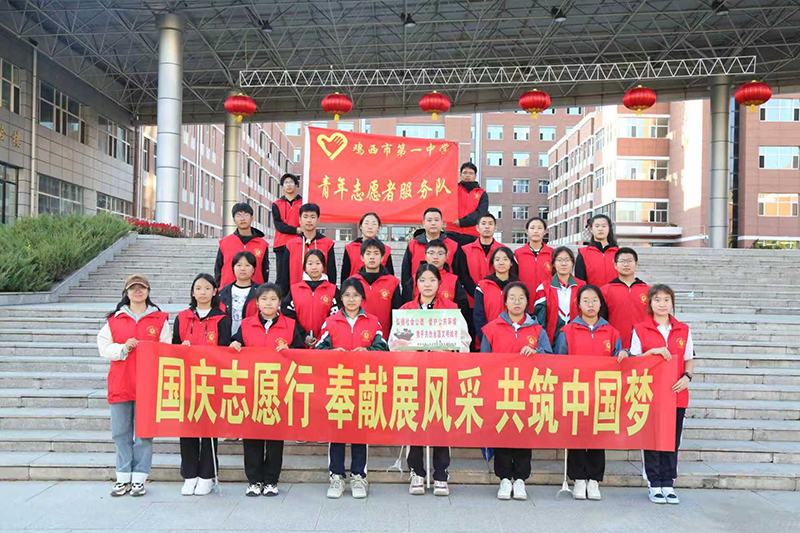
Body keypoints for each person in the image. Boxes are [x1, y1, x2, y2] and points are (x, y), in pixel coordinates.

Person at [390, 264, 472, 497]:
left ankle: (441, 474)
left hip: (441, 373)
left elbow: (464, 340)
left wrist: (452, 350)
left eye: (432, 280)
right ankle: (416, 471)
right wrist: (410, 349)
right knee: (414, 420)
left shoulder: (451, 310)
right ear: (416, 283)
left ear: (439, 283)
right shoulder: (406, 310)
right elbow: (394, 343)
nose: (427, 284)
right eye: (423, 280)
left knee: (440, 421)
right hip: (414, 374)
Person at [97, 274, 171, 497]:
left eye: (142, 288)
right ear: (126, 292)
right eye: (133, 288)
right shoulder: (115, 319)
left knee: (144, 434)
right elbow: (104, 348)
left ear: (148, 291)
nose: (137, 292)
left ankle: (139, 478)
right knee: (120, 432)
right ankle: (122, 477)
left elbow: (167, 349)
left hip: (148, 384)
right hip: (121, 383)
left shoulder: (159, 319)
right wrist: (122, 347)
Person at [554, 285, 629, 502]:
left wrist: (624, 353)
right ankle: (578, 478)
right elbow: (559, 362)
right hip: (576, 391)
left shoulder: (612, 332)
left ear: (600, 304)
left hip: (602, 392)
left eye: (594, 300)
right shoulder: (567, 331)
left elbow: (619, 360)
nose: (590, 304)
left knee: (598, 435)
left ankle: (594, 479)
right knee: (577, 434)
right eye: (585, 300)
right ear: (578, 304)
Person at [230, 283, 306, 497]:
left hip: (278, 389)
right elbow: (234, 345)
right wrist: (234, 345)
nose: (268, 303)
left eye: (273, 299)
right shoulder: (246, 325)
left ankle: (271, 480)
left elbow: (302, 353)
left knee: (274, 437)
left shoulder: (290, 325)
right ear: (256, 303)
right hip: (252, 388)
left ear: (279, 302)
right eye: (264, 299)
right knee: (252, 436)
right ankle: (254, 480)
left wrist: (291, 351)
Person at [316, 278, 388, 500]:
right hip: (338, 385)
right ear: (341, 298)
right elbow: (318, 348)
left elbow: (383, 348)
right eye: (347, 295)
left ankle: (359, 476)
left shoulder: (373, 322)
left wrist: (367, 351)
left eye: (356, 295)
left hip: (363, 384)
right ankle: (336, 477)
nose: (351, 299)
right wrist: (332, 352)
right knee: (337, 431)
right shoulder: (330, 322)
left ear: (362, 299)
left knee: (360, 432)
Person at [480, 282, 552, 501]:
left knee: (523, 434)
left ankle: (520, 479)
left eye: (521, 298)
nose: (517, 302)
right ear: (505, 302)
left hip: (527, 391)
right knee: (502, 432)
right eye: (512, 298)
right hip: (500, 391)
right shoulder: (492, 328)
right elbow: (484, 360)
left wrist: (536, 352)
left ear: (527, 302)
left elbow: (550, 357)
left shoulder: (537, 329)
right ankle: (504, 478)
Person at [630, 285, 694, 505]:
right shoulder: (640, 329)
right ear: (650, 303)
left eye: (666, 300)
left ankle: (668, 482)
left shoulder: (683, 329)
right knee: (652, 438)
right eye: (657, 300)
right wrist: (652, 352)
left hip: (676, 393)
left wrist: (687, 377)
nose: (662, 304)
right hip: (650, 393)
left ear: (672, 303)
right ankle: (654, 483)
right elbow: (634, 361)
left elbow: (689, 358)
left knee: (672, 440)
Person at [172, 274, 231, 496]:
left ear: (215, 291)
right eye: (198, 288)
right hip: (187, 380)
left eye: (207, 288)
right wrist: (182, 348)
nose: (203, 292)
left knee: (208, 430)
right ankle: (189, 474)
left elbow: (224, 351)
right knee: (187, 429)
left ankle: (207, 475)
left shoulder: (222, 319)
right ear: (192, 292)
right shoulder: (182, 317)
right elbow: (173, 348)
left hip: (211, 381)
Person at [400, 207, 465, 301]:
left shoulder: (453, 245)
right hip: (418, 296)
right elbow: (406, 273)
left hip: (446, 295)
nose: (433, 223)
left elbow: (460, 273)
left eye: (436, 220)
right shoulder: (413, 245)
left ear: (442, 222)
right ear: (423, 223)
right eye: (429, 220)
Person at [282, 249, 340, 347]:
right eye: (310, 263)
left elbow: (336, 317)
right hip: (299, 345)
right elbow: (288, 317)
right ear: (304, 267)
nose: (314, 267)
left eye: (318, 263)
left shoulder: (332, 290)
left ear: (323, 266)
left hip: (325, 345)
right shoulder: (294, 290)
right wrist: (304, 336)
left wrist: (321, 338)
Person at [277, 203, 336, 295]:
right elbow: (284, 275)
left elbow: (332, 274)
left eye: (312, 217)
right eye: (305, 217)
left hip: (321, 294)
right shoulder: (291, 245)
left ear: (318, 220)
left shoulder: (327, 244)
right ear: (300, 220)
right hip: (295, 294)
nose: (309, 220)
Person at [351, 238, 402, 338]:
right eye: (368, 253)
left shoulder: (393, 282)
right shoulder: (352, 282)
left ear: (382, 257)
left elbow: (396, 314)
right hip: (357, 338)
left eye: (376, 253)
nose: (372, 257)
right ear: (362, 257)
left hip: (384, 337)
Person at [533, 247, 585, 343]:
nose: (563, 264)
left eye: (567, 260)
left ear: (572, 263)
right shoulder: (543, 288)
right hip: (551, 340)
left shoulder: (582, 286)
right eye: (559, 260)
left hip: (577, 339)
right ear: (553, 263)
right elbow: (540, 321)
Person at [601, 248, 650, 349]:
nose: (626, 264)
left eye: (630, 261)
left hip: (643, 344)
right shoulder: (605, 290)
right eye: (622, 261)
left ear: (636, 264)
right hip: (615, 344)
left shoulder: (648, 290)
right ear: (615, 265)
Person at [215, 202, 270, 287]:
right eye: (238, 215)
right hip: (228, 290)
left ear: (252, 218)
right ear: (234, 220)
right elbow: (218, 268)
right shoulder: (225, 243)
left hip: (255, 291)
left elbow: (265, 270)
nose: (242, 218)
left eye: (246, 215)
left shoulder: (262, 244)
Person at [473, 247, 519, 345]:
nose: (501, 263)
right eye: (497, 259)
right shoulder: (482, 285)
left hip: (512, 339)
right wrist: (485, 337)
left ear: (511, 263)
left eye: (505, 259)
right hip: (487, 337)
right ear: (493, 263)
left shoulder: (518, 286)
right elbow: (478, 315)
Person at [412, 240, 469, 312]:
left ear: (446, 257)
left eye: (440, 253)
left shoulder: (453, 280)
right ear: (425, 256)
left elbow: (462, 307)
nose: (435, 257)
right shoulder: (415, 278)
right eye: (431, 253)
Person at [461, 213, 503, 308]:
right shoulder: (465, 250)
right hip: (472, 301)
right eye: (483, 223)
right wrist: (477, 294)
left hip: (496, 301)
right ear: (477, 228)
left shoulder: (502, 250)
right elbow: (464, 276)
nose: (487, 227)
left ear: (495, 228)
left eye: (490, 224)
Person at [341, 212, 394, 283]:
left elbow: (390, 277)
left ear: (378, 228)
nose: (370, 227)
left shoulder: (386, 250)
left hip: (379, 288)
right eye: (366, 223)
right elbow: (345, 275)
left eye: (374, 224)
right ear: (360, 226)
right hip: (355, 287)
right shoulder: (350, 248)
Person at [514, 217, 553, 312]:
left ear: (545, 232)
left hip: (546, 302)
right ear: (527, 232)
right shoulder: (518, 254)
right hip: (523, 303)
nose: (536, 231)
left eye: (539, 228)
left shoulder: (552, 254)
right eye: (532, 228)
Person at [272, 173, 303, 284]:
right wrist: (296, 230)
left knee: (298, 274)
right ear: (282, 186)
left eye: (291, 182)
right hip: (281, 244)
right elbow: (278, 225)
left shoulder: (303, 202)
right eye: (286, 183)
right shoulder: (277, 204)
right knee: (281, 276)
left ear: (296, 185)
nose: (288, 185)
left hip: (299, 243)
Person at [447, 162, 489, 245]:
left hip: (472, 234)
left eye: (470, 173)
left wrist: (462, 222)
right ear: (460, 174)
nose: (467, 175)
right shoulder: (452, 189)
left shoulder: (482, 193)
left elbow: (481, 213)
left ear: (475, 175)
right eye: (465, 173)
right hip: (452, 232)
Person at [218, 251, 259, 336]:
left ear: (253, 269)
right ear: (233, 268)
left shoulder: (260, 292)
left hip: (251, 337)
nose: (242, 269)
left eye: (247, 265)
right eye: (238, 265)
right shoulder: (222, 292)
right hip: (225, 338)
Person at [574, 214, 619, 287]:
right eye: (597, 226)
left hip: (616, 293)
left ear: (609, 228)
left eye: (604, 226)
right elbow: (580, 281)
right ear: (591, 229)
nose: (600, 229)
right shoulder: (583, 253)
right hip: (592, 293)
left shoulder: (618, 253)